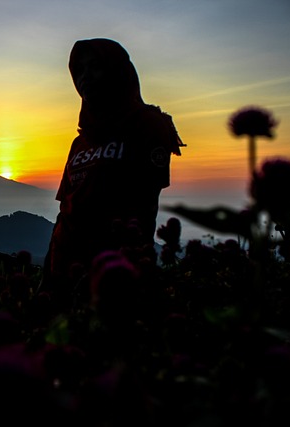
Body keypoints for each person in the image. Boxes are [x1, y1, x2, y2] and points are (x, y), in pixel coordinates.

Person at [43, 38, 184, 294]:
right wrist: (48, 274)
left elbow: (144, 202)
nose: (85, 77)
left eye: (95, 66)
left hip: (116, 275)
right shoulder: (80, 142)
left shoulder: (149, 125)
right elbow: (66, 210)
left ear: (117, 71)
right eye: (79, 71)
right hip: (64, 274)